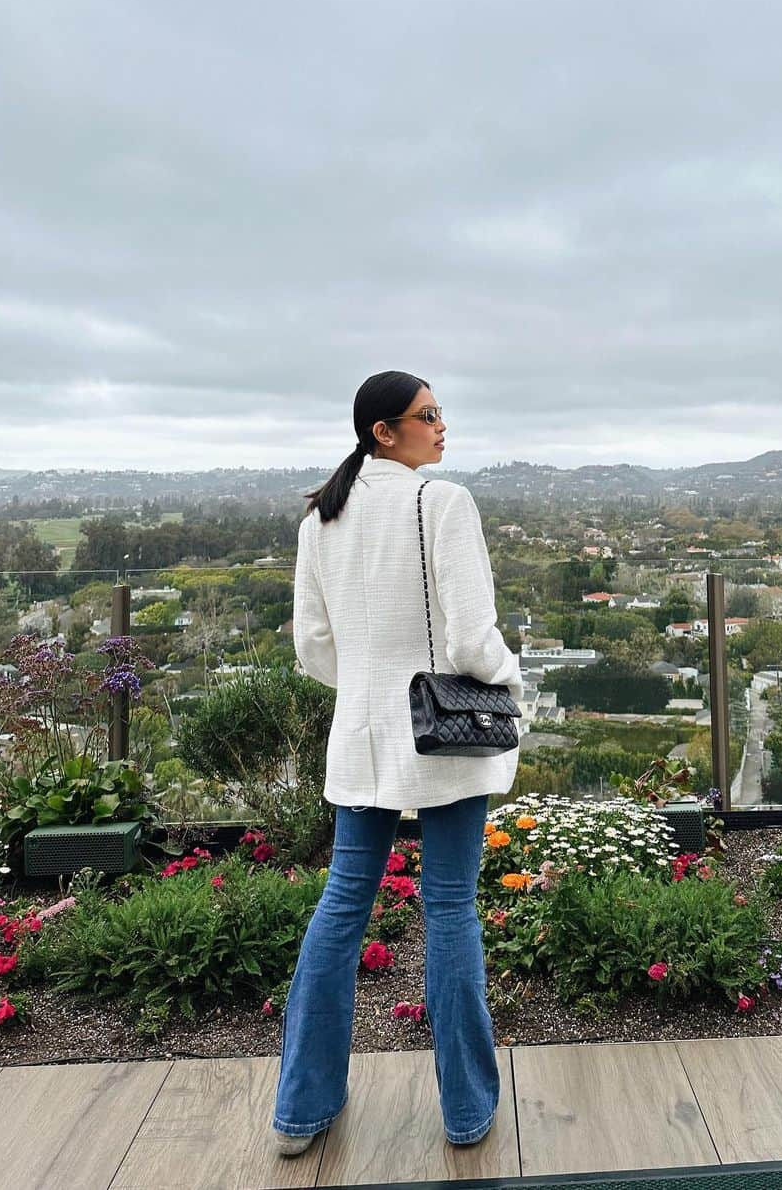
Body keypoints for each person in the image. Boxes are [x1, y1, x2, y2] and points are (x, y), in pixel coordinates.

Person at [272, 370, 523, 1157]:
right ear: (385, 431)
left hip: (364, 739)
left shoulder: (323, 518)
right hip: (441, 741)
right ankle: (467, 1113)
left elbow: (312, 644)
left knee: (343, 906)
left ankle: (300, 1110)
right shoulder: (441, 503)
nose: (442, 426)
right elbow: (471, 642)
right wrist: (516, 683)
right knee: (449, 907)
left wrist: (372, 690)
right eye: (428, 414)